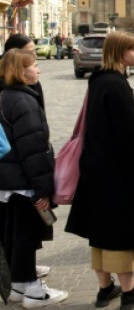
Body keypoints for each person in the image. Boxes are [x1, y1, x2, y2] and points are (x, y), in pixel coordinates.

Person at [65, 31, 134, 310]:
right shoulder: (116, 85)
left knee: (101, 234)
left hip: (95, 170)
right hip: (119, 174)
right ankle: (129, 292)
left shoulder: (98, 81)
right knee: (121, 235)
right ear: (120, 53)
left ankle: (105, 289)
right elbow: (130, 135)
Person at [0, 49, 68, 307]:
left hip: (8, 181)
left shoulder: (5, 96)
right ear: (21, 70)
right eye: (34, 65)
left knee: (16, 235)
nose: (38, 70)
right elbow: (33, 149)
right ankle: (33, 290)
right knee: (27, 235)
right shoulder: (23, 101)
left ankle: (19, 286)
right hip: (23, 181)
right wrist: (42, 186)